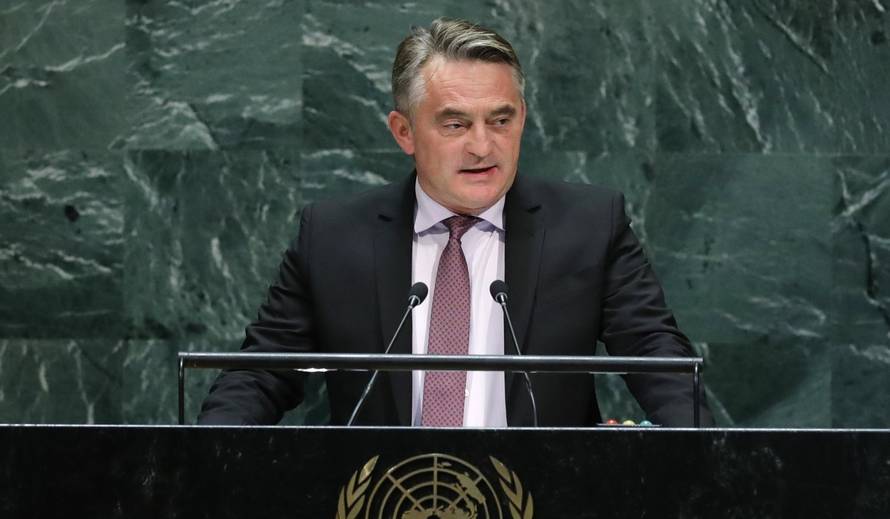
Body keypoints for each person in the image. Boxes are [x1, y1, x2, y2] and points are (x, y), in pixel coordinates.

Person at [198, 18, 713, 427]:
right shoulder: (333, 236)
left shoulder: (589, 226)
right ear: (404, 131)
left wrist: (705, 453)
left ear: (522, 118)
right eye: (455, 124)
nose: (482, 147)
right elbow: (262, 372)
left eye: (500, 120)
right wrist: (202, 459)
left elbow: (655, 354)